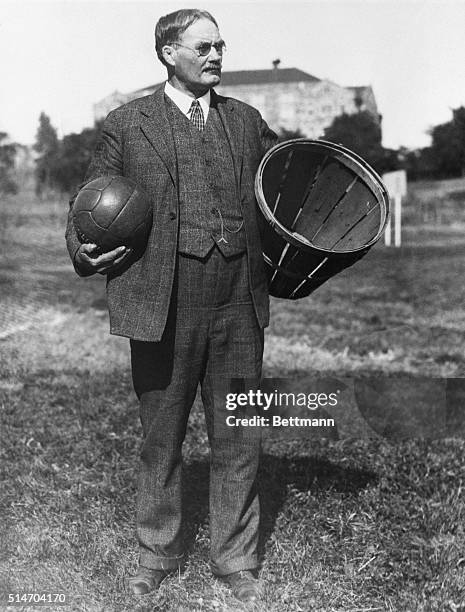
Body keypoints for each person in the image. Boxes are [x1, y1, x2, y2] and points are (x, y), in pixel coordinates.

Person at [65, 8, 277, 605]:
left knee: (239, 432)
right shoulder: (127, 124)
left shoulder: (246, 120)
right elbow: (89, 200)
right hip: (164, 299)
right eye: (203, 46)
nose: (216, 56)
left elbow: (277, 192)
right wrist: (80, 249)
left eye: (220, 46)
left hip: (238, 298)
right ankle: (156, 552)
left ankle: (235, 558)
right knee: (162, 436)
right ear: (168, 53)